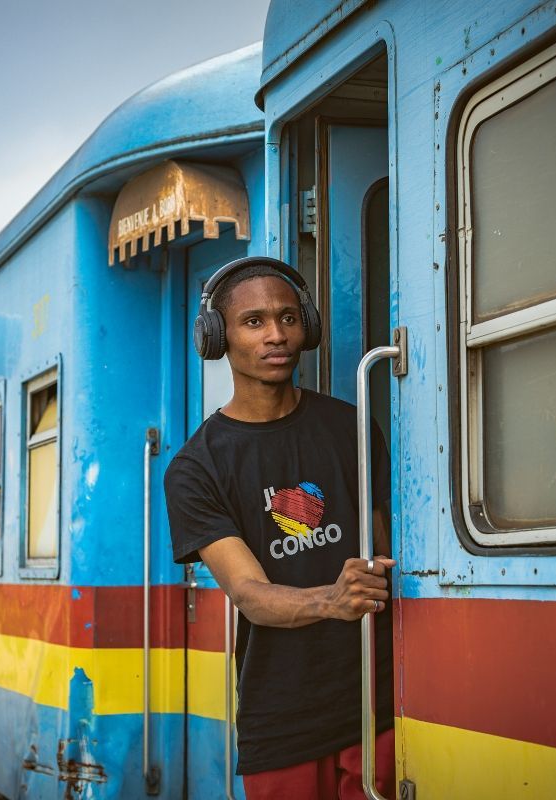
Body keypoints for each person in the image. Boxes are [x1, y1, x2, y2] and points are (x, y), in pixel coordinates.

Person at [164, 257, 395, 800]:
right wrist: (332, 600)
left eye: (289, 318)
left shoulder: (350, 426)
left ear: (307, 327)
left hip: (377, 700)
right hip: (282, 717)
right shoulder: (197, 468)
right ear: (217, 337)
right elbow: (250, 595)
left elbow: (385, 550)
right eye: (254, 322)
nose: (276, 335)